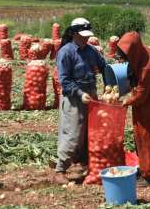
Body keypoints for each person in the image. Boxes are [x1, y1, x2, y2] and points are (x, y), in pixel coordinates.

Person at [54, 18, 106, 184]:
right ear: (74, 33)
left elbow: (104, 67)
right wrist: (79, 93)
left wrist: (111, 85)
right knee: (73, 133)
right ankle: (60, 169)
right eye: (82, 36)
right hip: (74, 98)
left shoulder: (91, 51)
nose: (86, 39)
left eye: (87, 36)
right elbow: (64, 80)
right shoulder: (66, 52)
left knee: (91, 131)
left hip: (91, 94)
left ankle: (84, 163)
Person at [116, 31, 150, 186]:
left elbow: (141, 96)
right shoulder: (143, 51)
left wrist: (125, 101)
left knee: (148, 139)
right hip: (149, 104)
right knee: (143, 138)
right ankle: (147, 168)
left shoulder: (147, 68)